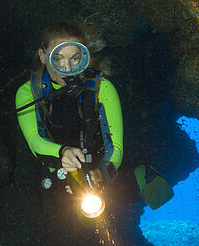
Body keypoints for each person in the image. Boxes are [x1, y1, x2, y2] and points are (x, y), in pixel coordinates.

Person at [15, 22, 124, 205]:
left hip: (99, 177)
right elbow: (34, 140)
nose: (66, 69)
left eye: (74, 59)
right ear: (43, 56)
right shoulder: (28, 93)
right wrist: (61, 153)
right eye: (57, 59)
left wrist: (100, 174)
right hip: (55, 178)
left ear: (84, 58)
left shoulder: (103, 88)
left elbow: (116, 147)